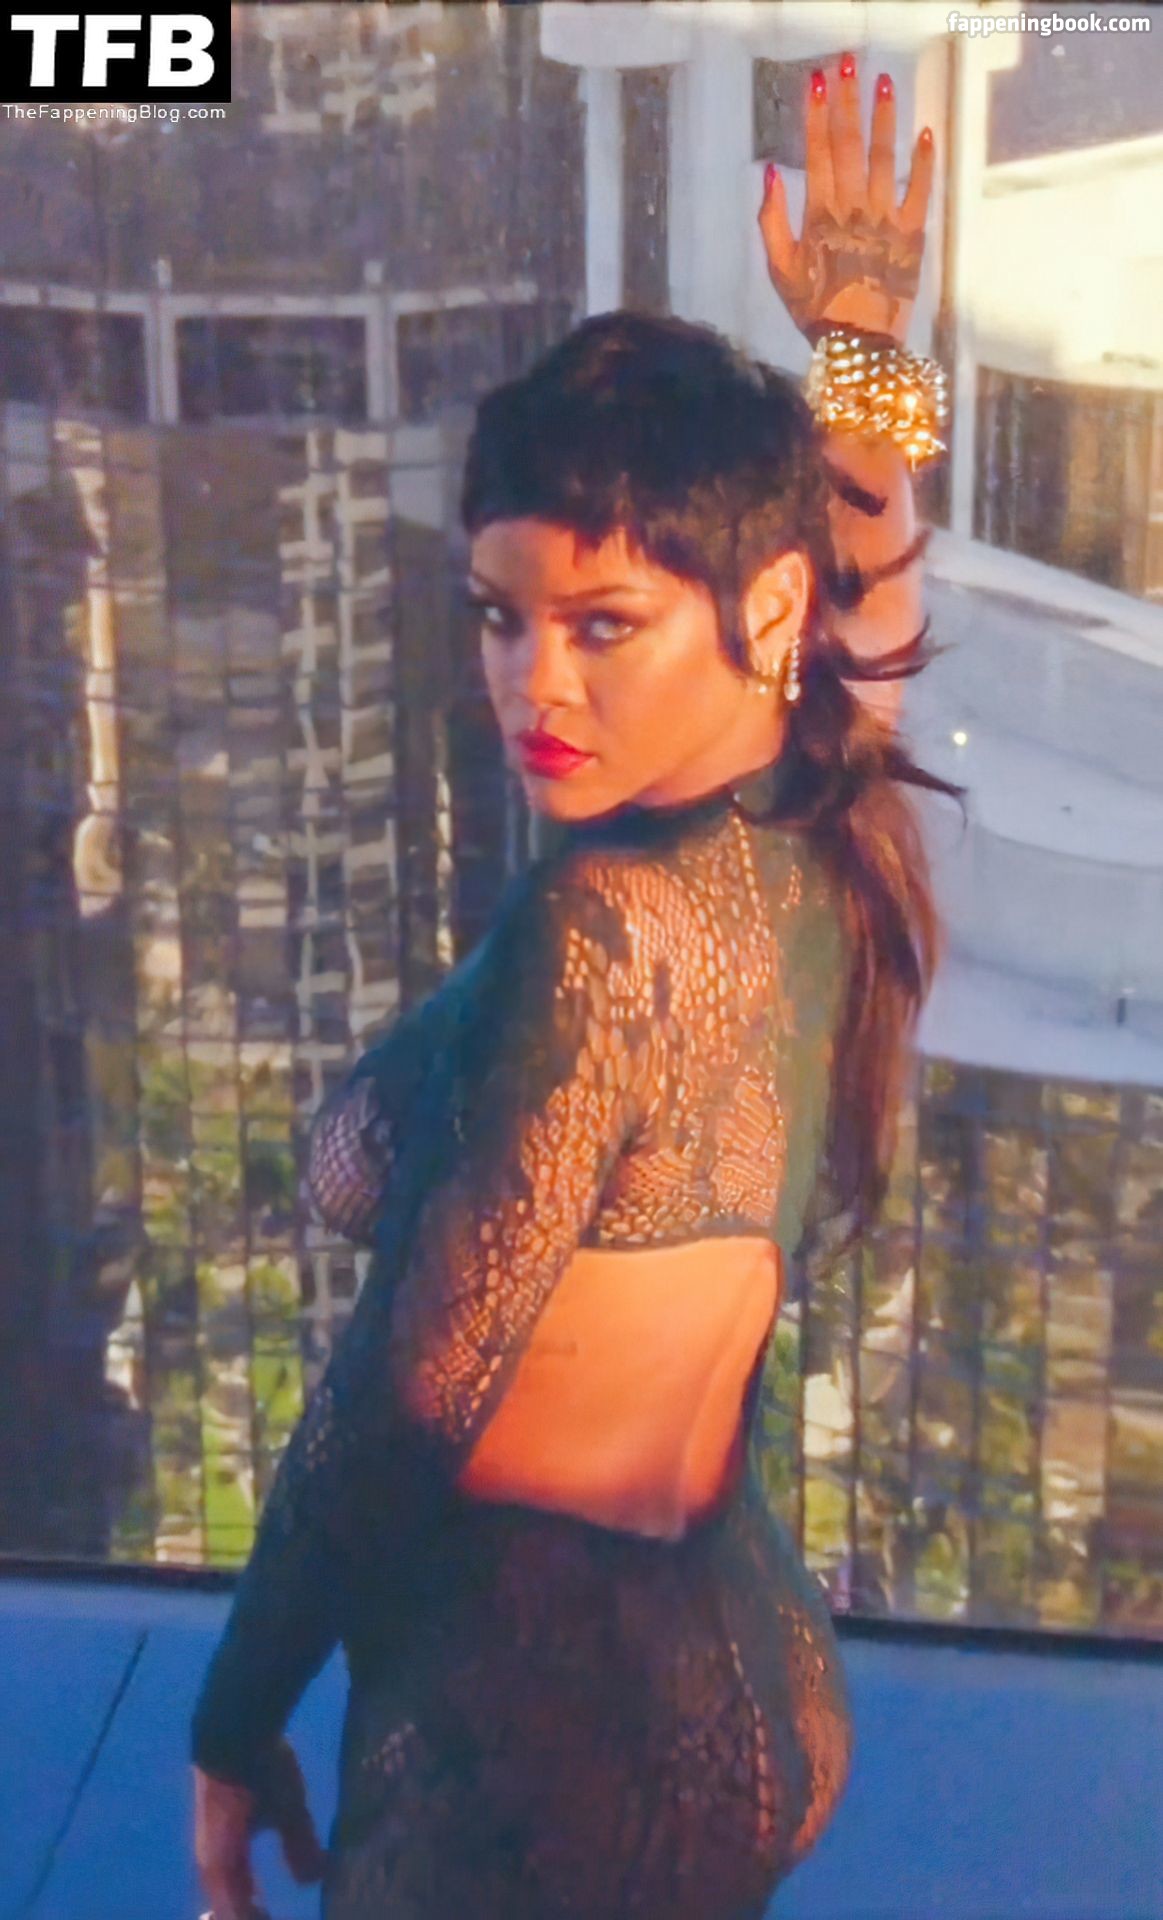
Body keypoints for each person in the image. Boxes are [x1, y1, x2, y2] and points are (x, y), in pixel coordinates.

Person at [192, 53, 955, 1920]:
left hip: (544, 1738)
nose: (535, 682)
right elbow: (870, 599)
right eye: (500, 614)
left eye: (604, 626)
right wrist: (863, 357)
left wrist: (231, 1715)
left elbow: (404, 1400)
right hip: (720, 1668)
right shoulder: (811, 815)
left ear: (758, 617)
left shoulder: (607, 932)